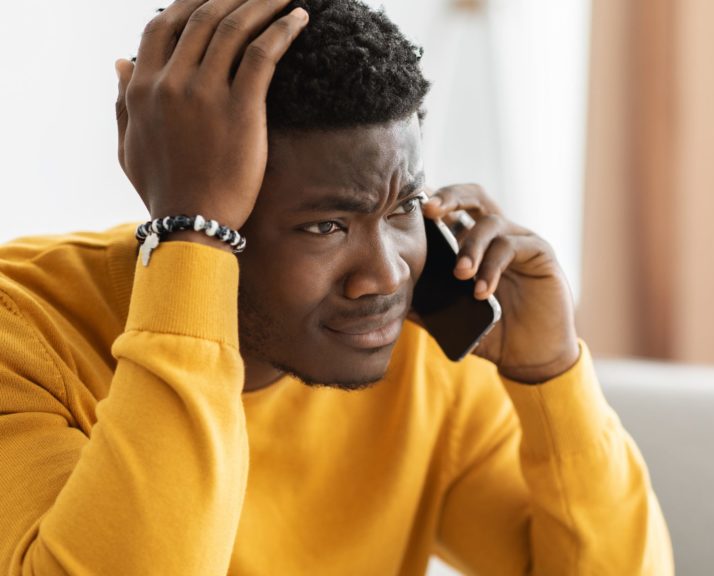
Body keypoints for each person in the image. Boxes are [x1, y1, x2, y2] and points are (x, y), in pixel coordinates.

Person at [0, 0, 673, 573]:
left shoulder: (422, 355)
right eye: (324, 226)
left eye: (403, 207)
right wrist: (191, 237)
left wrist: (552, 377)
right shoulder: (23, 327)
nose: (385, 277)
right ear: (197, 196)